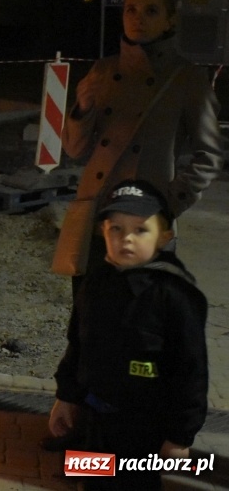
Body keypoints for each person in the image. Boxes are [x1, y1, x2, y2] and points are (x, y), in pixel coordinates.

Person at [44, 0, 223, 452]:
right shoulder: (104, 70)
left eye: (150, 10)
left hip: (142, 227)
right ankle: (78, 423)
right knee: (86, 322)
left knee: (141, 332)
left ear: (170, 19)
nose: (137, 19)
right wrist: (82, 106)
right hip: (96, 219)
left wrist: (164, 208)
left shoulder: (186, 78)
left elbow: (208, 155)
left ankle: (138, 440)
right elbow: (76, 149)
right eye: (130, 9)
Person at [49, 179, 209, 490]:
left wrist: (180, 436)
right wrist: (66, 397)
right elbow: (77, 343)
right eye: (116, 229)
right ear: (103, 231)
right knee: (90, 483)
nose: (127, 239)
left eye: (140, 230)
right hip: (93, 420)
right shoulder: (95, 284)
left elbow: (191, 371)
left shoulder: (176, 296)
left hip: (143, 430)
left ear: (164, 236)